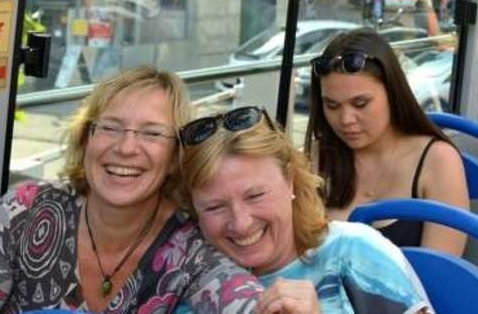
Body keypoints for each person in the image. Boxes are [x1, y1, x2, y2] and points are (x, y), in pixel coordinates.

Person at [0, 67, 265, 313]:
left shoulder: (191, 249)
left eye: (152, 133)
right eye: (110, 127)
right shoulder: (23, 211)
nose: (126, 147)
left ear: (175, 158)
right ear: (86, 139)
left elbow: (243, 299)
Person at [180, 109, 432, 314]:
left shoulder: (354, 252)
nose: (241, 223)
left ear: (291, 181)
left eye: (255, 195)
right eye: (215, 207)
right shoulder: (194, 289)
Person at [304, 29, 470, 256]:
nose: (346, 120)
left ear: (393, 93)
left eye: (360, 104)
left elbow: (440, 275)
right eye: (332, 106)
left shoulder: (438, 161)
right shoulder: (318, 157)